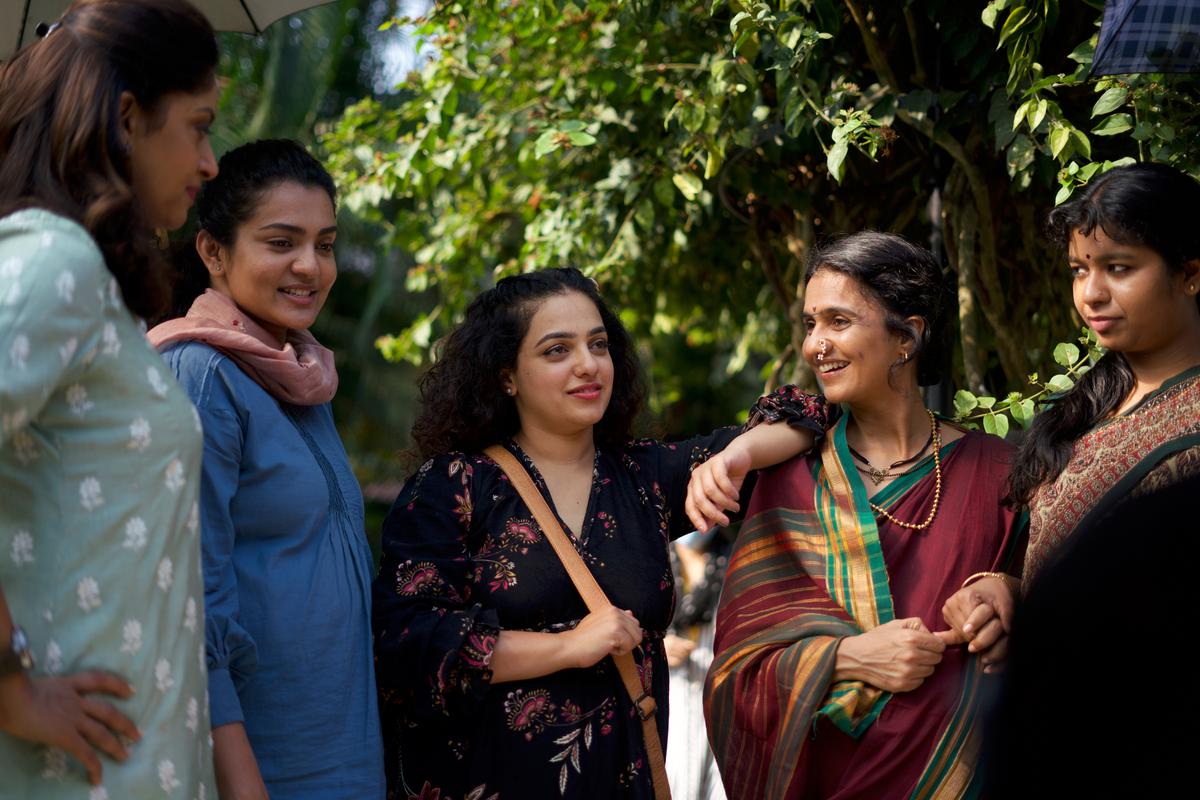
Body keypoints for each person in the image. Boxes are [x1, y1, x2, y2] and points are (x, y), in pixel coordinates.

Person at [372, 267, 827, 800]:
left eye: (598, 344)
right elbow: (406, 647)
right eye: (556, 351)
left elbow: (812, 414)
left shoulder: (645, 477)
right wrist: (568, 646)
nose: (588, 365)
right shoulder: (455, 486)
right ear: (506, 376)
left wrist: (737, 455)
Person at [699, 232, 1025, 799]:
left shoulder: (999, 473)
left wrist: (1008, 597)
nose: (815, 345)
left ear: (908, 335)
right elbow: (733, 678)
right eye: (809, 324)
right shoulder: (790, 480)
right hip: (827, 779)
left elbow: (1066, 613)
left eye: (838, 321)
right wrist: (847, 657)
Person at [0, 1, 219, 796]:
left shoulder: (94, 284)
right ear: (128, 118)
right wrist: (9, 686)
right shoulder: (56, 261)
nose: (210, 160)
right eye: (199, 125)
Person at [147, 139, 385, 799]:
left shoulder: (301, 374)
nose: (310, 266)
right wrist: (244, 784)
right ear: (213, 252)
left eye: (326, 244)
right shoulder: (200, 374)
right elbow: (193, 602)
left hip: (343, 752)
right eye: (281, 242)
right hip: (263, 765)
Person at [945, 163, 1200, 649]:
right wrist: (1005, 592)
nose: (1091, 294)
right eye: (1080, 270)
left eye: (1118, 269)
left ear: (1189, 273)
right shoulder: (1086, 406)